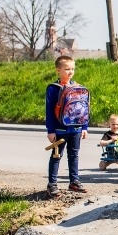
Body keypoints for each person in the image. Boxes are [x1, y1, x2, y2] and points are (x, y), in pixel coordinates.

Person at [45, 55, 88, 197]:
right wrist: (50, 130)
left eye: (73, 69)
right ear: (58, 70)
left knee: (74, 155)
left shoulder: (78, 88)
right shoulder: (53, 88)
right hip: (59, 129)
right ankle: (52, 184)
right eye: (67, 69)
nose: (71, 72)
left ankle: (74, 181)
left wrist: (84, 127)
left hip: (75, 128)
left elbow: (83, 109)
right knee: (57, 155)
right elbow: (49, 111)